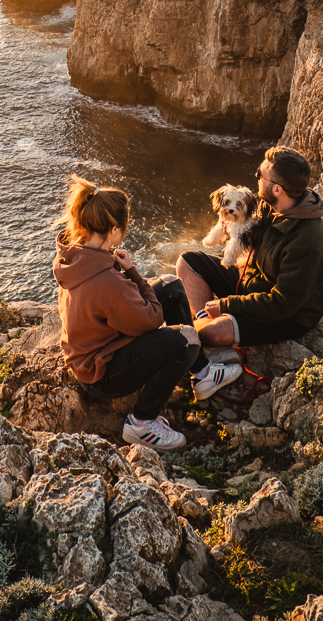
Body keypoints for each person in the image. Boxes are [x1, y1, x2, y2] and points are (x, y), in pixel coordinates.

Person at [53, 175, 241, 451]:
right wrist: (132, 272)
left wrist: (126, 274)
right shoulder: (107, 281)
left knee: (171, 285)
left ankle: (201, 373)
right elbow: (152, 318)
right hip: (102, 375)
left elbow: (118, 303)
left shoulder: (75, 256)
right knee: (186, 339)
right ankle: (141, 422)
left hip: (94, 351)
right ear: (114, 230)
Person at [176, 146, 323, 348]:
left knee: (214, 332)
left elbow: (280, 304)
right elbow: (251, 235)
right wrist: (233, 229)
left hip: (285, 316)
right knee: (187, 262)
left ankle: (204, 331)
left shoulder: (307, 243)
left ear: (278, 189)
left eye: (260, 175)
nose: (256, 177)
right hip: (251, 282)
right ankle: (204, 320)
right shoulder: (272, 205)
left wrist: (226, 304)